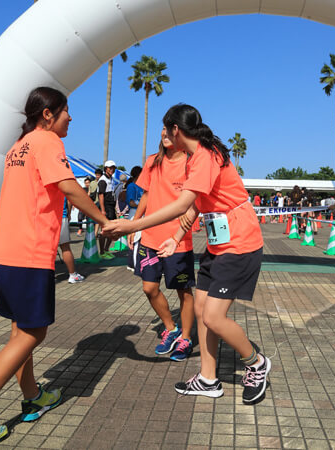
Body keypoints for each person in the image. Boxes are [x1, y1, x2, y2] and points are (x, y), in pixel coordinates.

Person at [103, 104, 271, 404]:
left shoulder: (205, 156)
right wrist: (176, 237)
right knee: (202, 312)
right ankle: (208, 378)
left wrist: (132, 225)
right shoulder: (196, 157)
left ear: (176, 130)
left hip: (240, 243)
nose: (163, 135)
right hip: (218, 245)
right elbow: (196, 205)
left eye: (166, 129)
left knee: (213, 317)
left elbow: (182, 205)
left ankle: (256, 363)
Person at [0, 87, 108, 445]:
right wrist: (103, 219)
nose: (70, 117)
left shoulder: (17, 147)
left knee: (20, 332)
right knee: (34, 334)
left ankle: (33, 396)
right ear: (48, 114)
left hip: (3, 251)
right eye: (66, 111)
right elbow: (69, 187)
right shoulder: (48, 141)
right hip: (29, 252)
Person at [129, 133, 195, 361]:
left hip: (178, 239)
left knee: (183, 291)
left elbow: (196, 198)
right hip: (150, 237)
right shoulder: (153, 161)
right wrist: (134, 224)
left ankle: (185, 338)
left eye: (171, 128)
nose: (165, 133)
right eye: (164, 128)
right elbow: (146, 195)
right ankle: (171, 328)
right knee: (149, 288)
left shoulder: (191, 161)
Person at [59, 198, 85, 283]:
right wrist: (69, 214)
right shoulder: (62, 189)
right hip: (61, 217)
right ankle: (73, 275)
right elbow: (69, 201)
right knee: (65, 247)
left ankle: (44, 274)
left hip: (45, 218)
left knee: (47, 249)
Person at [98, 160, 117, 259]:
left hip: (111, 207)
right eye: (110, 168)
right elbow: (101, 195)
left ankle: (106, 250)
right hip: (106, 206)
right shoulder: (103, 180)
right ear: (106, 169)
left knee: (112, 230)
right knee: (105, 230)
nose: (112, 170)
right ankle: (102, 252)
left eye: (113, 168)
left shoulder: (111, 179)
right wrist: (103, 210)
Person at [125, 166, 143, 270]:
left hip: (142, 214)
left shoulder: (142, 186)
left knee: (139, 239)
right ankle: (134, 265)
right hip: (134, 214)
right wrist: (142, 205)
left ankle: (134, 263)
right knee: (135, 240)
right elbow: (131, 202)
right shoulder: (131, 186)